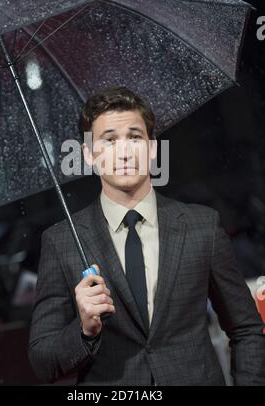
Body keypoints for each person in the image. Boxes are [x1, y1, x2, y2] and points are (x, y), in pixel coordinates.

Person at [28, 86, 265, 386]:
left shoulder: (201, 225)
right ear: (88, 154)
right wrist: (84, 329)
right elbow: (42, 362)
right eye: (110, 140)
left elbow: (246, 329)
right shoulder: (61, 241)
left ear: (152, 148)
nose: (124, 151)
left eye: (135, 137)